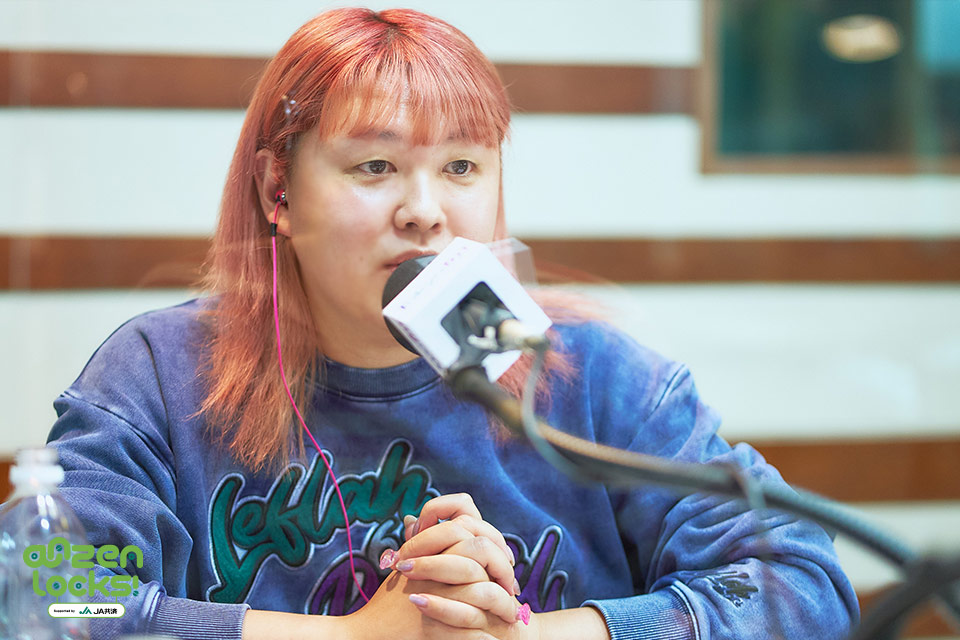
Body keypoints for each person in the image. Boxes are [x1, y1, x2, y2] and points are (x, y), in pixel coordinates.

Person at [39, 7, 858, 640]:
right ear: (277, 191)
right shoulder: (160, 373)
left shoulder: (599, 379)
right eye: (375, 166)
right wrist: (355, 636)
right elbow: (47, 597)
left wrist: (529, 634)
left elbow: (801, 585)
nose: (425, 212)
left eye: (461, 166)